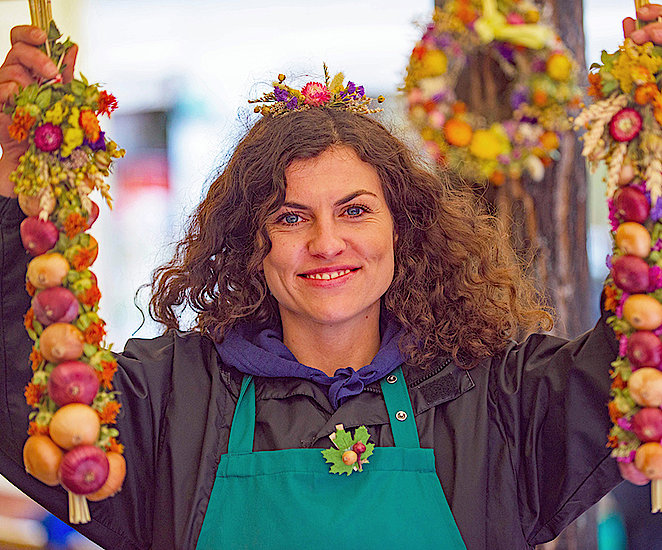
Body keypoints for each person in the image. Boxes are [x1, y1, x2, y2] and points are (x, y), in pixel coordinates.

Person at [0, 9, 654, 549]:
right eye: (290, 217)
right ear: (250, 243)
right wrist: (12, 177)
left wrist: (648, 143)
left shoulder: (503, 397)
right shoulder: (164, 403)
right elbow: (12, 377)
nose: (326, 242)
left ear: (402, 228)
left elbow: (639, 356)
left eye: (355, 210)